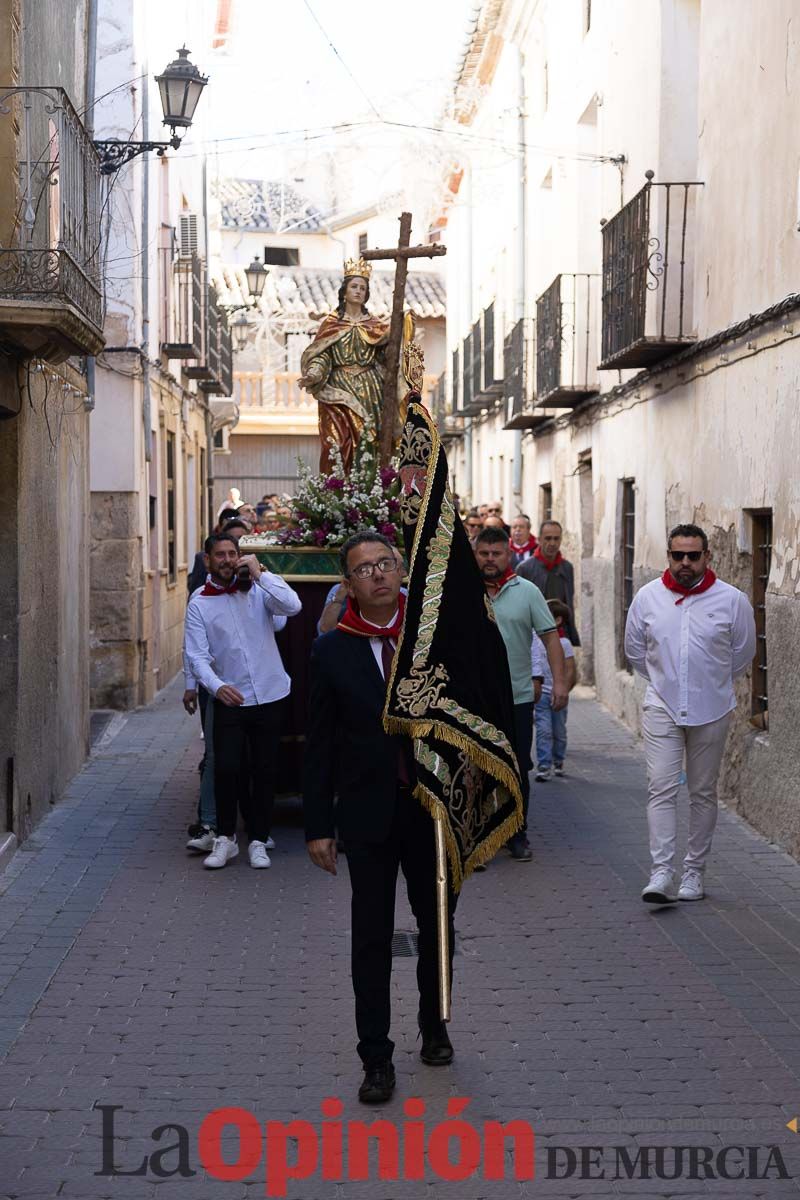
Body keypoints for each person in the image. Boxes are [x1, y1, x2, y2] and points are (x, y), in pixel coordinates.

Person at [304, 532, 456, 1105]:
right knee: (370, 937)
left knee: (436, 923)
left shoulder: (432, 640)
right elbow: (319, 745)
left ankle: (434, 1024)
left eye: (386, 564)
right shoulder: (332, 651)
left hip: (431, 811)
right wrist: (319, 824)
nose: (378, 575)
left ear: (400, 571)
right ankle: (376, 1058)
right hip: (367, 815)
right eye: (365, 569)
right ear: (349, 586)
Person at [624, 523, 756, 905]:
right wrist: (670, 681)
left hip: (712, 708)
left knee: (702, 792)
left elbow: (743, 653)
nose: (685, 563)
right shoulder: (647, 598)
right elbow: (636, 651)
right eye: (678, 555)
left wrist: (708, 681)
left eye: (693, 556)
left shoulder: (732, 601)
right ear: (668, 556)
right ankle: (662, 871)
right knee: (661, 787)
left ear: (707, 557)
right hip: (662, 704)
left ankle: (694, 872)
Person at [184, 533, 302, 869]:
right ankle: (225, 839)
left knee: (264, 770)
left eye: (232, 553)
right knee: (227, 768)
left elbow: (293, 607)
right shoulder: (200, 602)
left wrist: (262, 574)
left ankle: (259, 839)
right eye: (219, 554)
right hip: (230, 699)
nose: (226, 559)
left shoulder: (260, 592)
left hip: (270, 693)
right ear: (207, 560)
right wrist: (216, 686)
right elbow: (197, 654)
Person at [473, 526, 568, 861]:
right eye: (483, 553)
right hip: (474, 699)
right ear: (475, 554)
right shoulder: (463, 590)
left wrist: (559, 682)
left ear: (508, 554)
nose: (489, 559)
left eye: (495, 553)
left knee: (516, 767)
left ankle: (516, 833)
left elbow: (550, 637)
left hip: (518, 697)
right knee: (476, 768)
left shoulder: (527, 591)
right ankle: (479, 838)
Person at [298, 259, 392, 475]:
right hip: (336, 389)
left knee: (367, 443)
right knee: (336, 444)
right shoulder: (331, 323)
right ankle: (336, 490)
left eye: (363, 288)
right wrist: (313, 374)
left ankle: (368, 493)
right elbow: (322, 356)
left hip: (369, 390)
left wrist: (403, 330)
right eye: (354, 286)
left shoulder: (377, 326)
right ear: (345, 291)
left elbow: (388, 357)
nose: (358, 291)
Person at [532, 599, 577, 781]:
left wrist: (564, 689)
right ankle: (544, 765)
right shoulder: (535, 640)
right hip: (542, 694)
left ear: (557, 620)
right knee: (543, 730)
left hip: (558, 694)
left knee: (559, 731)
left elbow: (571, 670)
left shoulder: (564, 643)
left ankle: (558, 760)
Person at [516, 519, 580, 646]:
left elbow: (568, 602)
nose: (552, 543)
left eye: (556, 539)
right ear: (539, 539)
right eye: (548, 538)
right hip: (534, 636)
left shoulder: (567, 568)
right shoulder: (524, 569)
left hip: (561, 635)